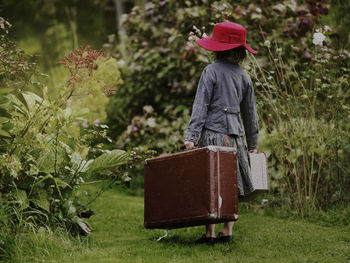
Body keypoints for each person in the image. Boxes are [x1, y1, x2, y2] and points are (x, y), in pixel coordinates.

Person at [184, 22, 259, 245]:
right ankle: (227, 231)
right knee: (231, 183)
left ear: (216, 48)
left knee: (211, 182)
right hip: (235, 138)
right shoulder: (244, 77)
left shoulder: (210, 71)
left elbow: (200, 106)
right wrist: (252, 142)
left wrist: (191, 136)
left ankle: (209, 234)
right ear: (241, 50)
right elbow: (250, 114)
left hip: (212, 134)